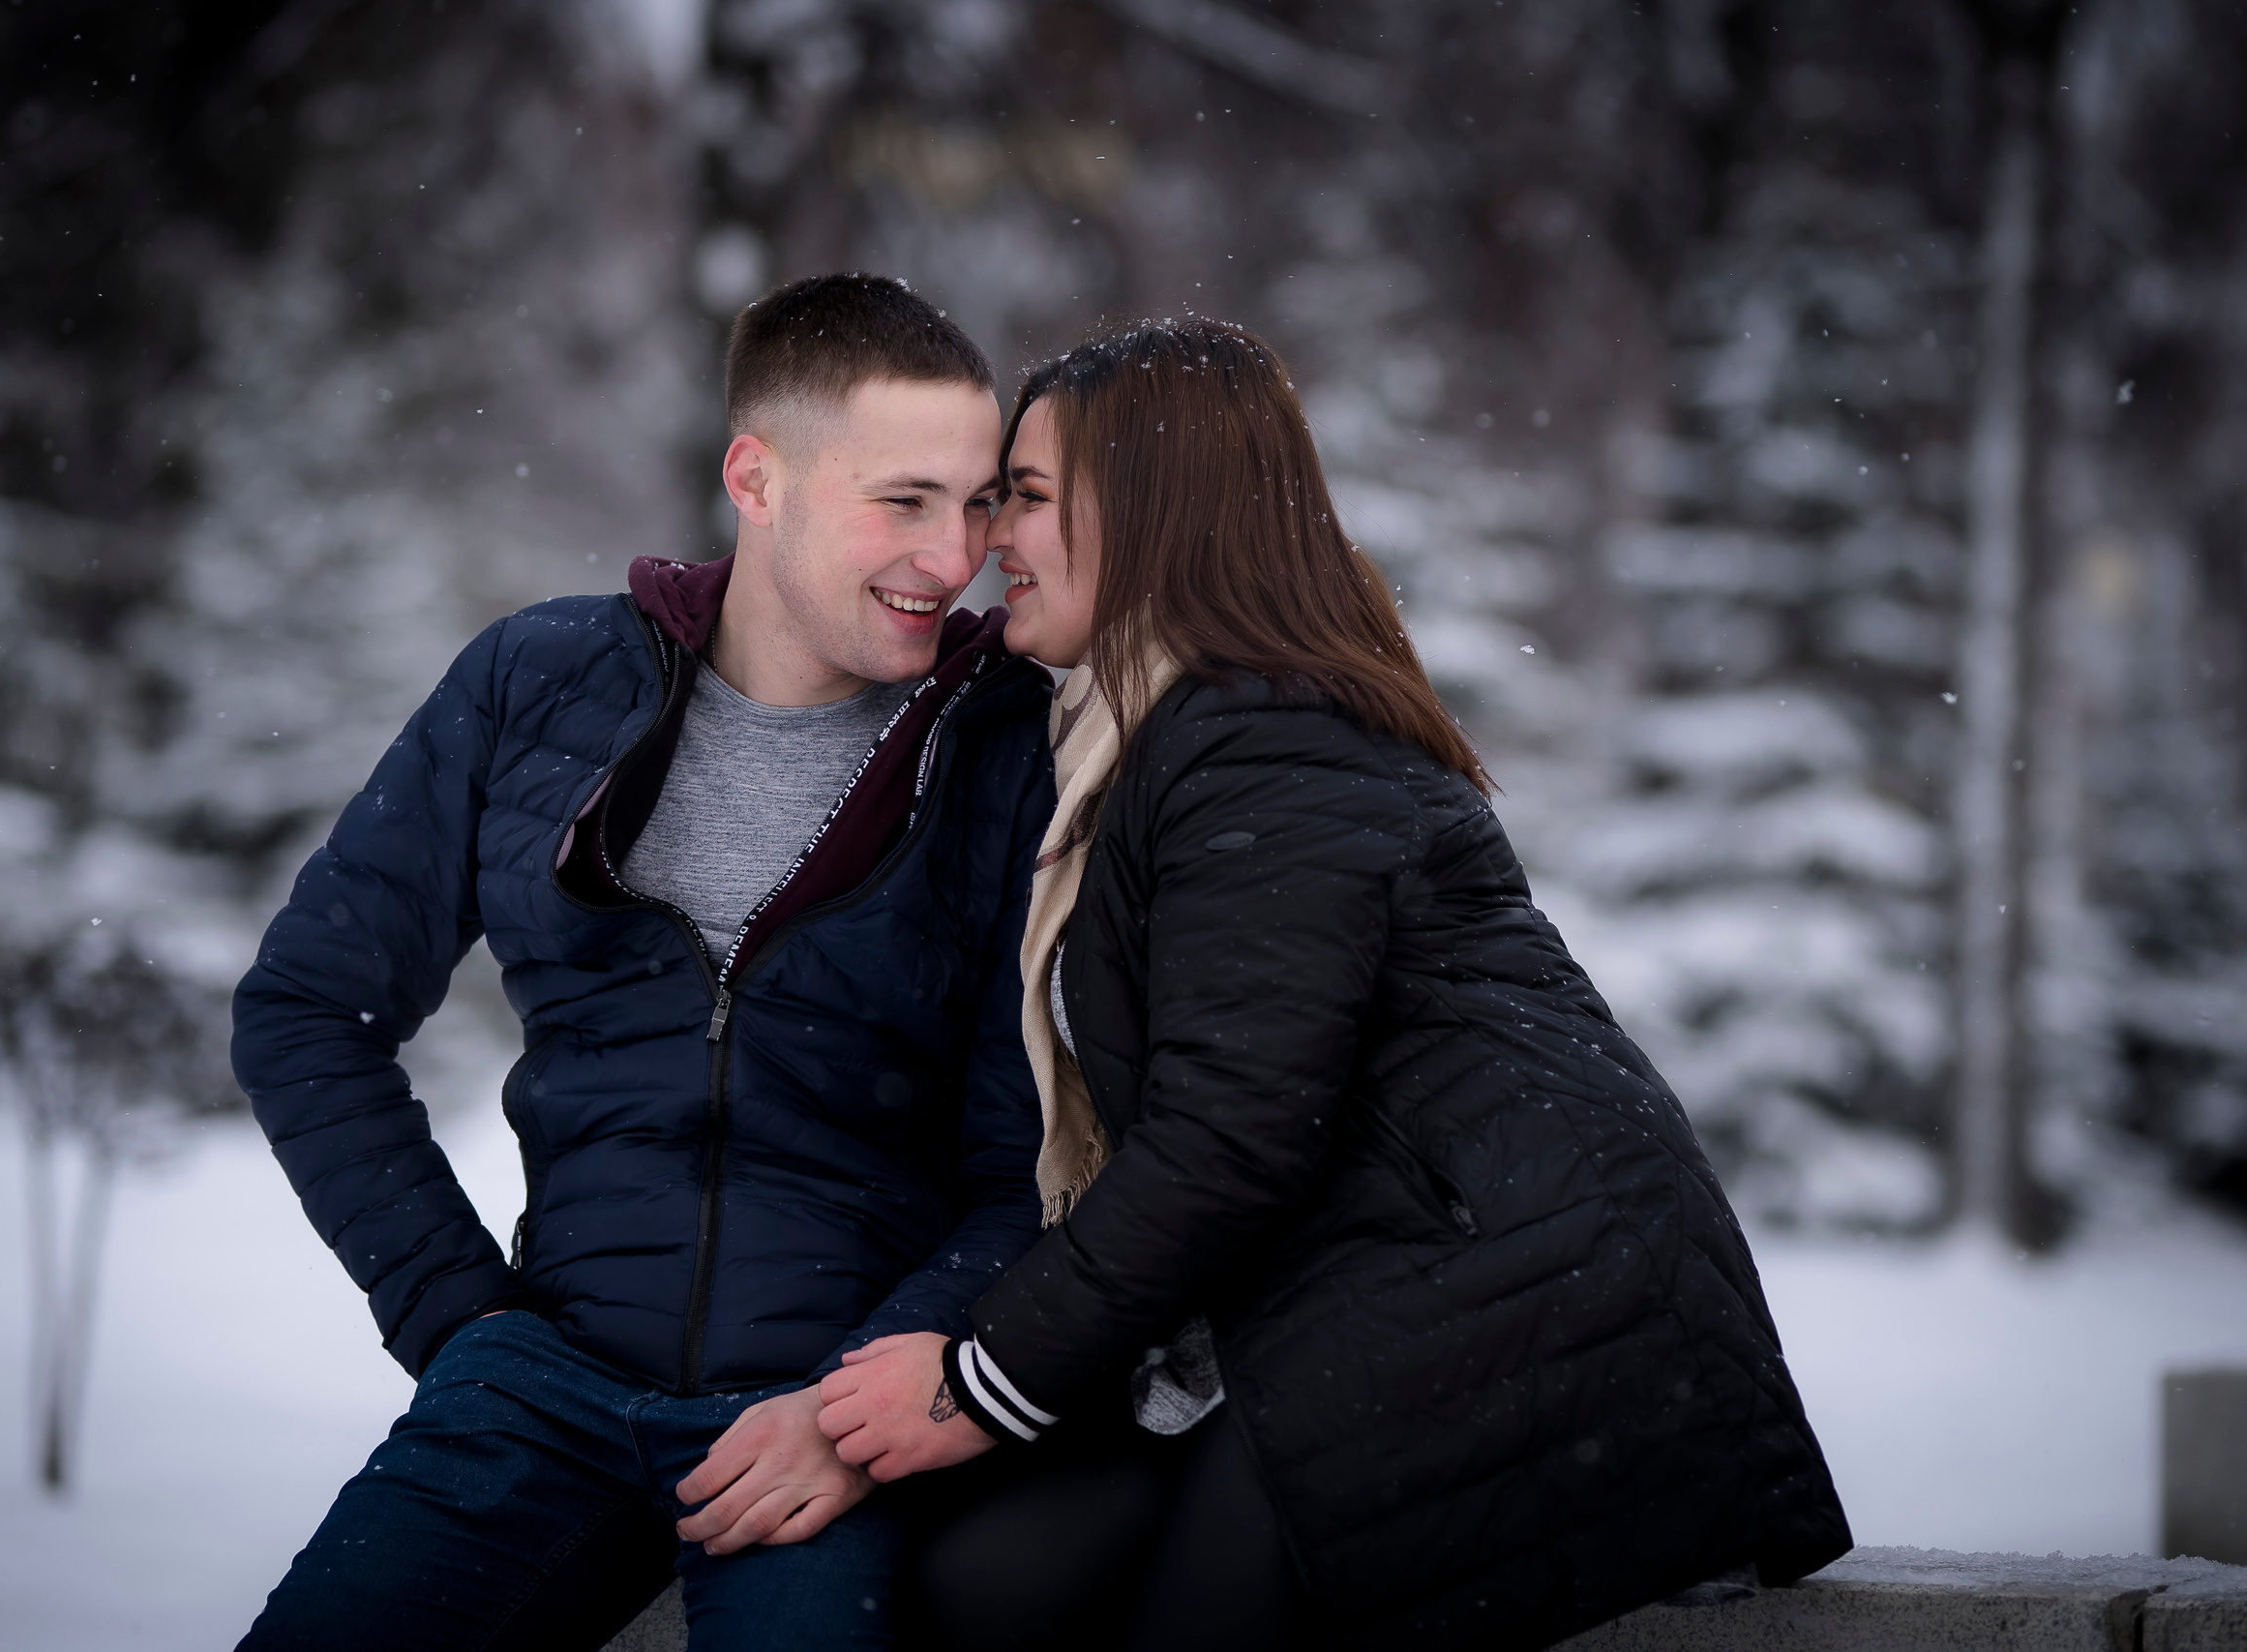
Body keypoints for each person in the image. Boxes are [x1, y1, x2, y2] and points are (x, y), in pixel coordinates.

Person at [815, 316, 1853, 1652]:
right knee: (986, 1579)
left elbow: (1232, 1135)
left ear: (1154, 513)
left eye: (1024, 495)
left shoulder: (1267, 740)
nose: (985, 540)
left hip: (1516, 1303)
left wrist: (979, 1383)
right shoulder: (1148, 737)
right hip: (1339, 1299)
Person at [228, 273, 1057, 1651]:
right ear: (758, 477)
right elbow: (309, 1009)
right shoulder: (538, 683)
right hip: (537, 1389)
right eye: (902, 500)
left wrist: (871, 1407)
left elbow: (1030, 1154)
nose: (951, 552)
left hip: (825, 1421)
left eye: (980, 504)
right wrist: (458, 1319)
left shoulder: (1009, 747)